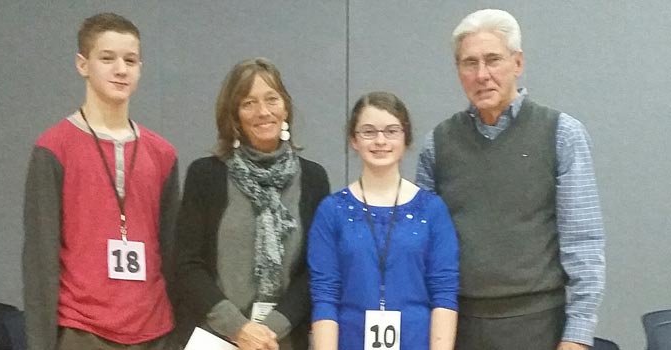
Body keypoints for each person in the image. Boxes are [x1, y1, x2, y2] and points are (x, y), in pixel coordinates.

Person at [416, 9, 606, 350]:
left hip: (540, 324)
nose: (482, 74)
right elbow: (423, 248)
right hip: (458, 327)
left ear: (517, 64)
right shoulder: (439, 144)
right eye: (469, 63)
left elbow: (584, 244)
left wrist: (577, 336)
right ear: (458, 71)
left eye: (493, 60)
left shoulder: (561, 134)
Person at [22, 12, 179, 350]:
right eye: (107, 58)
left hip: (155, 331)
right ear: (83, 64)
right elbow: (39, 260)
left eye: (130, 60)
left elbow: (171, 252)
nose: (121, 69)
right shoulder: (54, 148)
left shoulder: (163, 154)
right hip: (82, 331)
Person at [174, 57, 330, 350]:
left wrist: (268, 332)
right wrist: (239, 329)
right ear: (234, 115)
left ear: (285, 107)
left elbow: (316, 269)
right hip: (215, 338)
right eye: (249, 103)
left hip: (281, 340)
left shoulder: (313, 178)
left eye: (272, 99)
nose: (263, 112)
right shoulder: (206, 175)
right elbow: (187, 265)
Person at [308, 91, 459, 350]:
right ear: (354, 140)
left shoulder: (432, 210)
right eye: (368, 131)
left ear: (406, 137)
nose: (380, 141)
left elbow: (444, 293)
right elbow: (325, 296)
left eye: (391, 131)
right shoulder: (331, 211)